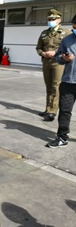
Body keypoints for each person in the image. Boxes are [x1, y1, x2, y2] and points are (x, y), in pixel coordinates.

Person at [36, 9, 71, 122]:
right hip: (46, 62)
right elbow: (38, 47)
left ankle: (53, 111)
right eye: (49, 19)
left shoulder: (66, 33)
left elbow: (69, 49)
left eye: (53, 19)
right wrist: (43, 53)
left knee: (56, 86)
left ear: (59, 20)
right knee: (49, 87)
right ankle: (47, 109)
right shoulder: (44, 33)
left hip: (58, 62)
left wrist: (55, 52)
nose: (50, 21)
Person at [46, 14, 76, 148]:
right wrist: (64, 58)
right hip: (68, 82)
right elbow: (58, 57)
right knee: (64, 111)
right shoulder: (67, 40)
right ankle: (62, 137)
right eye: (74, 27)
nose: (74, 29)